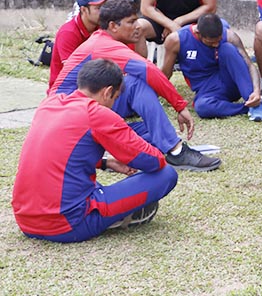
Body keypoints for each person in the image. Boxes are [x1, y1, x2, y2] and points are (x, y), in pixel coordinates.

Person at [12, 59, 178, 242]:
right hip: (67, 224)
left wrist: (106, 163)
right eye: (114, 99)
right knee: (166, 174)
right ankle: (115, 217)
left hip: (25, 221)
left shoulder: (49, 104)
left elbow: (61, 151)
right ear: (108, 92)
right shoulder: (97, 114)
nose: (113, 105)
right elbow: (153, 161)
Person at [51, 0, 221, 172]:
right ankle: (176, 152)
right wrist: (179, 105)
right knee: (136, 83)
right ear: (113, 26)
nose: (137, 26)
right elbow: (148, 70)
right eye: (131, 22)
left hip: (82, 112)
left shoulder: (105, 41)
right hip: (67, 116)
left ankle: (151, 146)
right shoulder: (102, 44)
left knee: (156, 129)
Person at [161, 13, 262, 122]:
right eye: (211, 42)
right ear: (198, 33)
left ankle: (254, 103)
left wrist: (256, 91)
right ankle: (252, 106)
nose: (215, 45)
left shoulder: (230, 36)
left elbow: (249, 66)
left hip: (230, 82)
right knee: (202, 107)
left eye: (218, 41)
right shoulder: (176, 40)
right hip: (206, 90)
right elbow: (165, 75)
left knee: (227, 49)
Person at [49, 0, 109, 88]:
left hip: (94, 85)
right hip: (66, 89)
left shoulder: (103, 26)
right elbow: (72, 73)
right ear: (84, 10)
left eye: (105, 6)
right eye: (98, 8)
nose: (104, 11)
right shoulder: (68, 33)